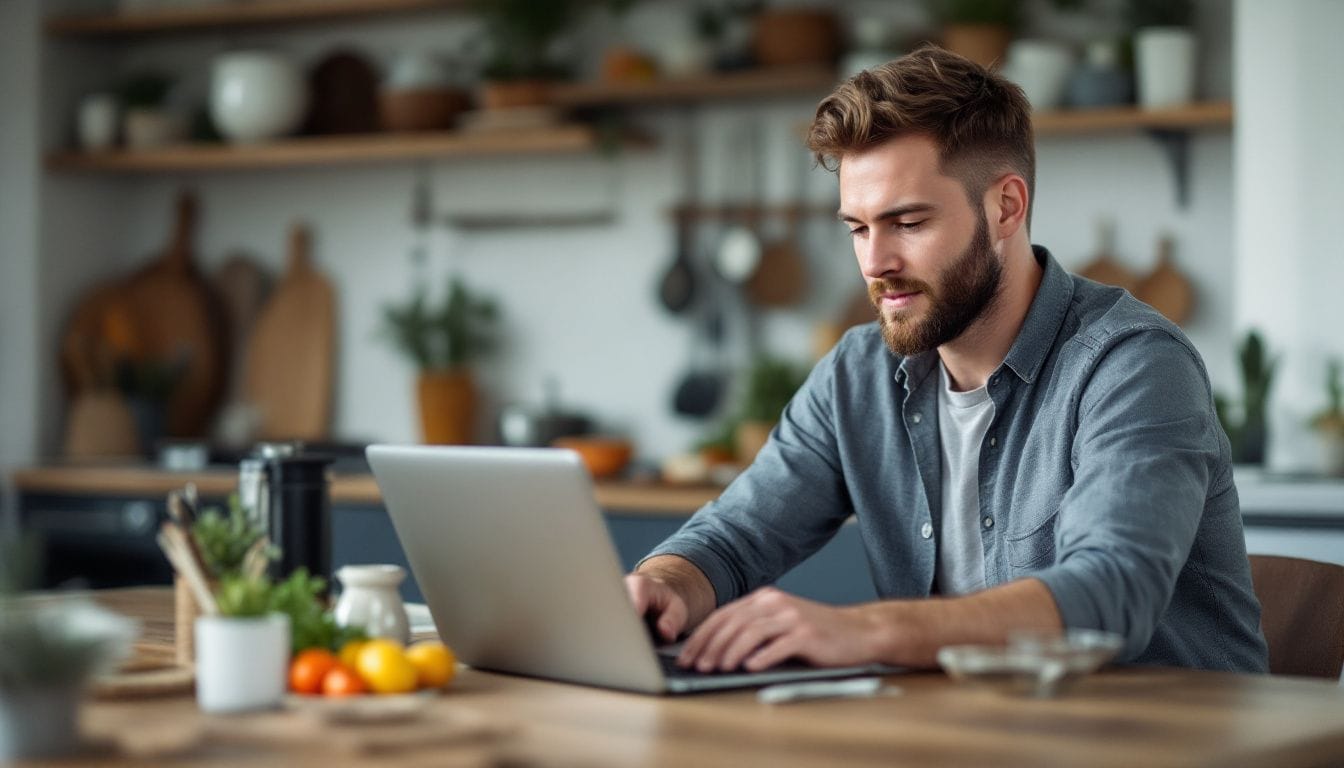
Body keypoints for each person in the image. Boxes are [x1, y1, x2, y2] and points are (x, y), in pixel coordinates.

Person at [625, 46, 1268, 674]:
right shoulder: (857, 374)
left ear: (1005, 207)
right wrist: (665, 584)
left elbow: (1111, 593)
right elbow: (736, 537)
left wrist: (867, 629)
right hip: (970, 737)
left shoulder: (1132, 365)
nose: (875, 263)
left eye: (907, 222)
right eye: (857, 227)